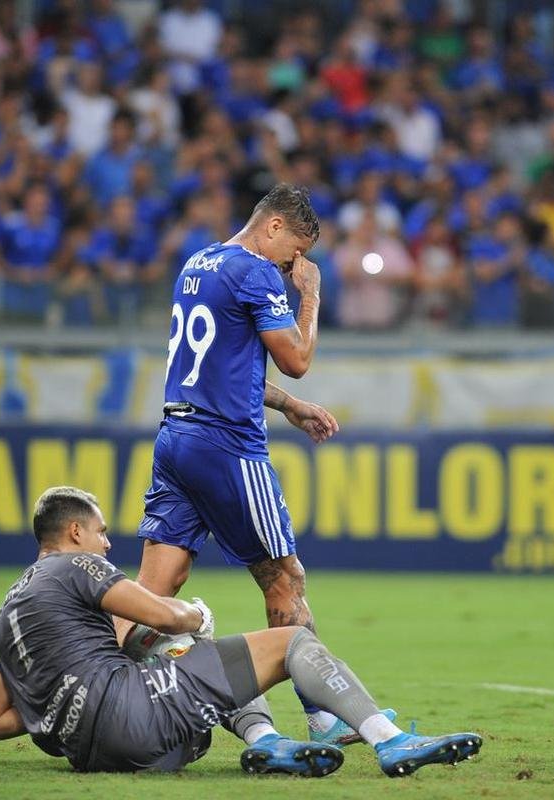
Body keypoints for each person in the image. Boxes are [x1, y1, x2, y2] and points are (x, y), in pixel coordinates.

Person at [120, 184, 393, 745]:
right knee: (285, 579)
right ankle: (324, 716)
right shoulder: (256, 271)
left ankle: (98, 689)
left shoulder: (198, 262)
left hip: (175, 437)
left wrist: (289, 408)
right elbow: (296, 359)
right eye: (295, 250)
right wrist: (310, 296)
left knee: (153, 588)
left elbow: (218, 364)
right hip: (226, 445)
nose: (297, 264)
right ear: (273, 227)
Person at [0, 486, 483, 777]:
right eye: (102, 531)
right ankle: (388, 740)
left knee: (174, 655)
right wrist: (197, 613)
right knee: (290, 642)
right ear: (76, 532)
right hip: (137, 719)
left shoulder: (5, 613)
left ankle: (267, 740)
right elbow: (162, 615)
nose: (106, 544)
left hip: (94, 753)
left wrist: (61, 706)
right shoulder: (76, 567)